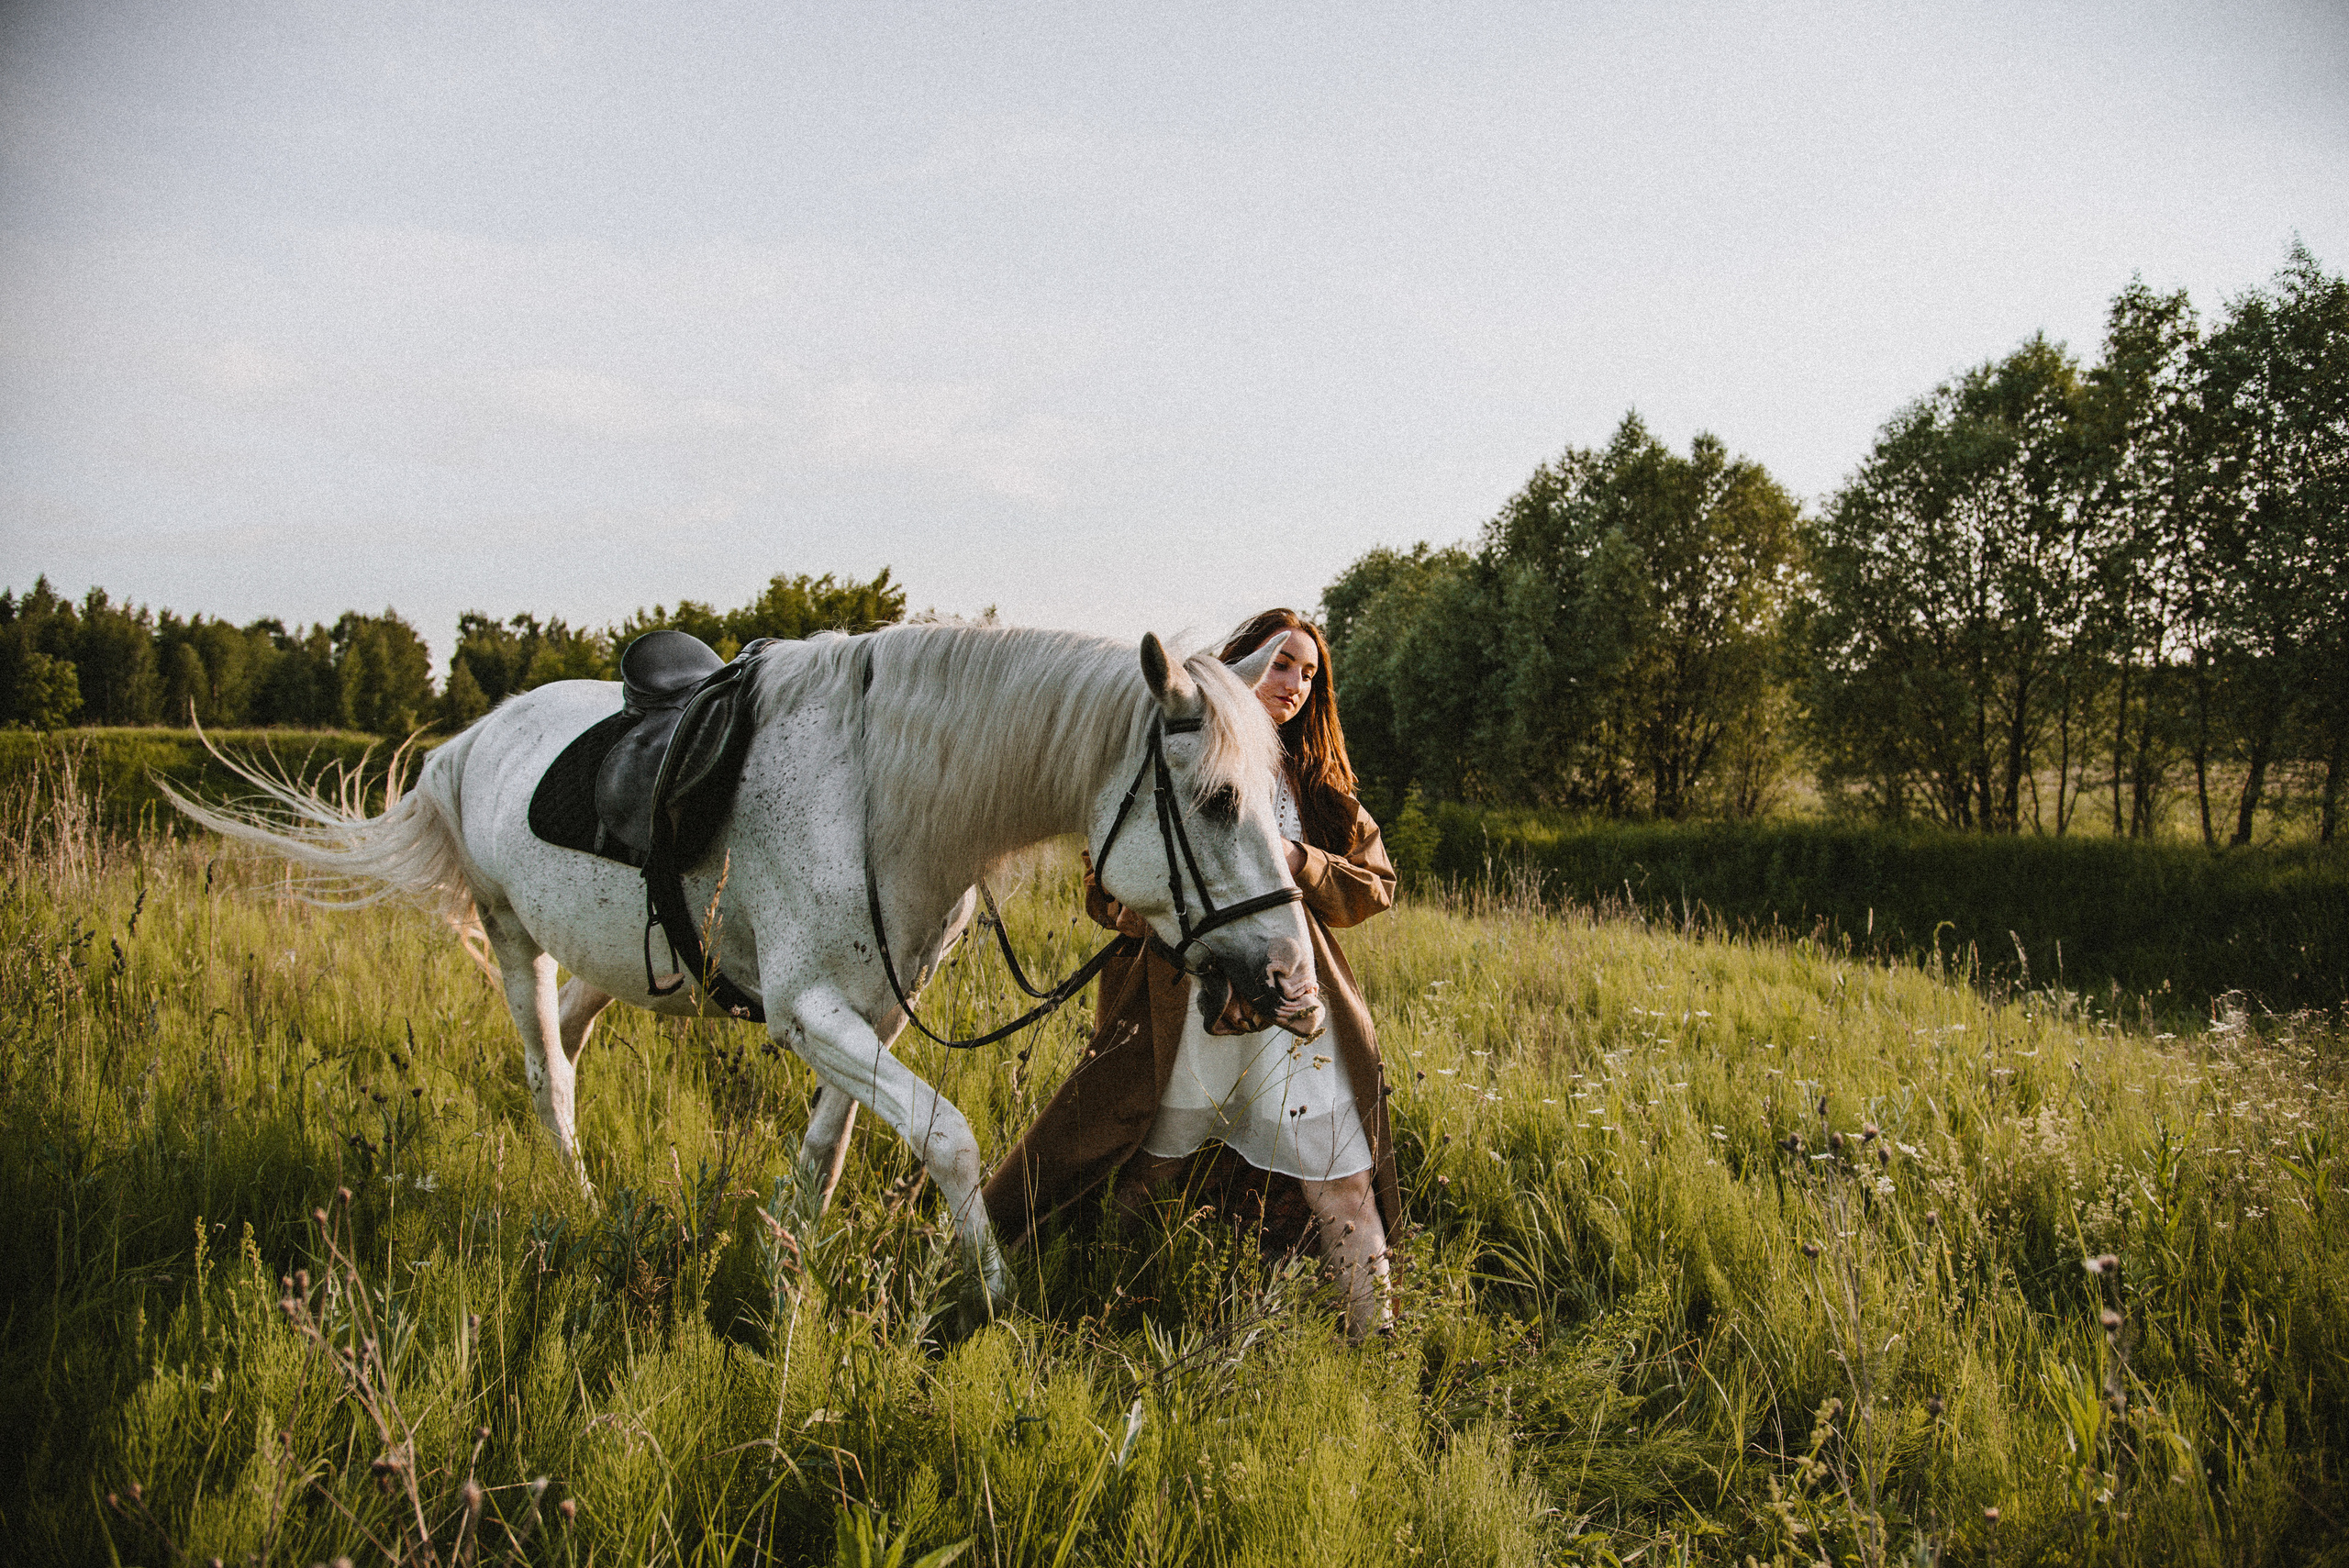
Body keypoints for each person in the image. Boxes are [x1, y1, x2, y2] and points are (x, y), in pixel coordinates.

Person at [982, 609, 1399, 1338]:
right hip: (1183, 1007)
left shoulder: (1319, 787)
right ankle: (1093, 1320)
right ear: (1239, 666)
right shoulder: (1179, 758)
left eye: (1308, 672)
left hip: (1293, 1010)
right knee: (1145, 1175)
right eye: (1279, 664)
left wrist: (1298, 861)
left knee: (1345, 1184)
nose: (1294, 683)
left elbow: (1375, 885)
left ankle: (1381, 1352)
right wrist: (1147, 919)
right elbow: (1106, 886)